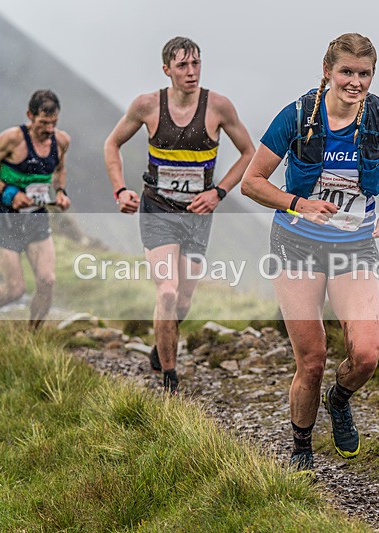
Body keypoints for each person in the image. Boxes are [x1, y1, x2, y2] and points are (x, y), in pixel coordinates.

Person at [241, 33, 379, 471]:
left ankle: (338, 401)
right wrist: (298, 203)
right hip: (296, 245)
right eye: (346, 72)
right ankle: (301, 448)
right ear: (328, 71)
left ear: (372, 76)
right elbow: (253, 182)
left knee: (366, 355)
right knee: (313, 359)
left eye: (363, 74)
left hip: (354, 247)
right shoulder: (298, 115)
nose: (355, 82)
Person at [104, 36, 255, 396]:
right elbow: (112, 143)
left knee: (183, 300)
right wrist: (120, 189)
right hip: (157, 209)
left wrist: (218, 193)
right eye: (183, 65)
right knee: (168, 293)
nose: (191, 72)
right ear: (166, 69)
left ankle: (163, 340)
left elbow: (249, 152)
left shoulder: (218, 107)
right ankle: (170, 379)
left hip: (197, 215)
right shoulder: (147, 105)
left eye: (196, 64)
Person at [0, 89, 71, 330]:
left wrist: (60, 192)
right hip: (4, 219)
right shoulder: (13, 139)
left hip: (36, 219)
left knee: (47, 280)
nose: (49, 129)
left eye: (54, 123)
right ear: (30, 115)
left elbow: (59, 170)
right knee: (15, 289)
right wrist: (9, 192)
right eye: (43, 122)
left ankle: (32, 337)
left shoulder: (61, 141)